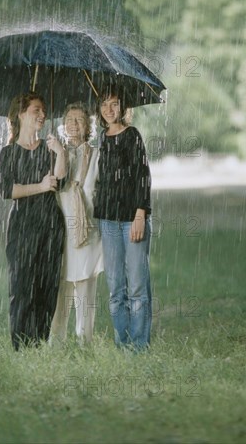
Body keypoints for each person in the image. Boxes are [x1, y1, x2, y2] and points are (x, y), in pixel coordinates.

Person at [0, 92, 67, 350]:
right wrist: (39, 186)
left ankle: (37, 344)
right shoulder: (8, 153)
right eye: (36, 109)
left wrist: (60, 153)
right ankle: (20, 347)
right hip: (23, 226)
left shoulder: (49, 149)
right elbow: (7, 190)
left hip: (50, 225)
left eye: (44, 110)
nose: (42, 114)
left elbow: (59, 181)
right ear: (21, 113)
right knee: (22, 287)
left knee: (47, 287)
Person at [93, 85, 152, 350]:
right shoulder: (100, 140)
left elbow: (143, 176)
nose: (109, 109)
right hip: (108, 220)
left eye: (114, 103)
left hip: (132, 218)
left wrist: (140, 214)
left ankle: (138, 346)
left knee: (137, 286)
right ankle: (122, 341)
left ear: (122, 107)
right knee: (116, 287)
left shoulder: (132, 135)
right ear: (99, 109)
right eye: (104, 104)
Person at [50, 104, 103, 344]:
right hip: (61, 229)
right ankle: (56, 341)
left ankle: (84, 341)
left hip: (87, 229)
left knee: (85, 286)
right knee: (61, 287)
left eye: (80, 120)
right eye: (69, 119)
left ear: (88, 126)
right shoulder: (54, 153)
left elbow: (101, 189)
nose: (73, 124)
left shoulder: (97, 154)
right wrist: (60, 152)